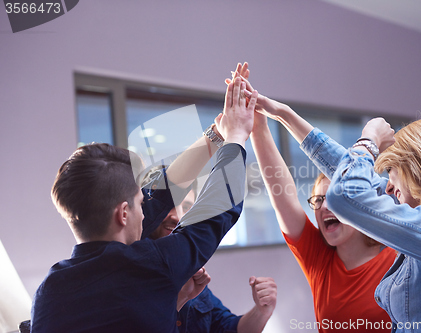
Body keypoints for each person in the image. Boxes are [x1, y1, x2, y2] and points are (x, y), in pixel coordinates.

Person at [237, 64, 421, 332]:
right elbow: (342, 175)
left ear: (420, 173)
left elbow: (347, 194)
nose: (387, 187)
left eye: (392, 173)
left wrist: (369, 138)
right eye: (317, 200)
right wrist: (283, 115)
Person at [30, 76, 258, 333]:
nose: (146, 211)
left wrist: (216, 136)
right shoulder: (149, 267)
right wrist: (237, 135)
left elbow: (161, 195)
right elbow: (218, 209)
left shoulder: (49, 289)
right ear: (123, 213)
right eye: (140, 203)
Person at [229, 63, 396, 332]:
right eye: (317, 200)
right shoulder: (319, 258)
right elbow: (280, 188)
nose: (323, 206)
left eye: (333, 196)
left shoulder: (396, 248)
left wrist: (282, 113)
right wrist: (258, 125)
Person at [144, 184, 277, 333]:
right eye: (169, 204)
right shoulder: (128, 267)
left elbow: (229, 328)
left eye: (187, 207)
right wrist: (181, 298)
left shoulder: (190, 271)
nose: (177, 217)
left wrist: (261, 311)